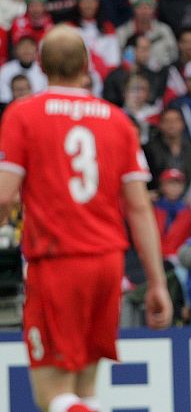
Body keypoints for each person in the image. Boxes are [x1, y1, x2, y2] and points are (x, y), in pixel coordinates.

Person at [0, 25, 172, 412]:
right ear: (87, 65)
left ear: (41, 66)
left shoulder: (24, 114)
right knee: (85, 393)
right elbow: (140, 207)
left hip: (57, 261)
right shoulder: (117, 121)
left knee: (54, 396)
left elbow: (3, 195)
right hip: (107, 263)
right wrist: (157, 281)